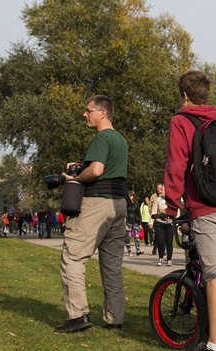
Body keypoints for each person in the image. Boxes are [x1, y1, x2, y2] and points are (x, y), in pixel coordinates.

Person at [163, 70, 216, 351]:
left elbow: (176, 164)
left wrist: (172, 205)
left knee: (212, 273)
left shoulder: (181, 121)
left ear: (184, 95)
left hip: (204, 206)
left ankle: (214, 343)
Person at [55, 95, 129, 333]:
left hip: (97, 203)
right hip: (119, 204)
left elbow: (96, 170)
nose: (84, 115)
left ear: (103, 113)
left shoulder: (101, 137)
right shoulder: (120, 139)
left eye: (88, 111)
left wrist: (75, 178)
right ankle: (114, 319)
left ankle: (77, 316)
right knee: (112, 265)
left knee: (73, 257)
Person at [149, 183, 175, 266]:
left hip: (170, 224)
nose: (160, 191)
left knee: (169, 242)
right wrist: (151, 222)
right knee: (160, 241)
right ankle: (160, 257)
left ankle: (169, 259)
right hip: (160, 223)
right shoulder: (158, 200)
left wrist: (170, 216)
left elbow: (177, 213)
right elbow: (153, 212)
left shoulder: (172, 200)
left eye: (162, 190)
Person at [125, 191, 143, 256]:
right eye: (129, 196)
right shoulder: (126, 204)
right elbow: (124, 214)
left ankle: (138, 250)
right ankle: (129, 251)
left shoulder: (136, 203)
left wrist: (140, 224)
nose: (130, 197)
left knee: (137, 237)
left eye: (132, 196)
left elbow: (139, 214)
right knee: (128, 237)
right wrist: (125, 224)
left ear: (134, 196)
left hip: (136, 222)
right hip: (128, 222)